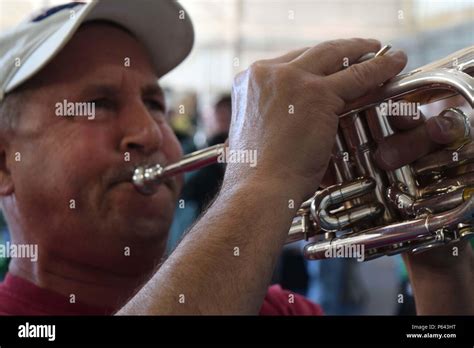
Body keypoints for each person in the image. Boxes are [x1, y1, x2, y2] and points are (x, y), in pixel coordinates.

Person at [0, 0, 471, 316]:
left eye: (155, 104)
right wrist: (260, 182)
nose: (147, 131)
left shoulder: (281, 310)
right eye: (98, 104)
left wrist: (435, 260)